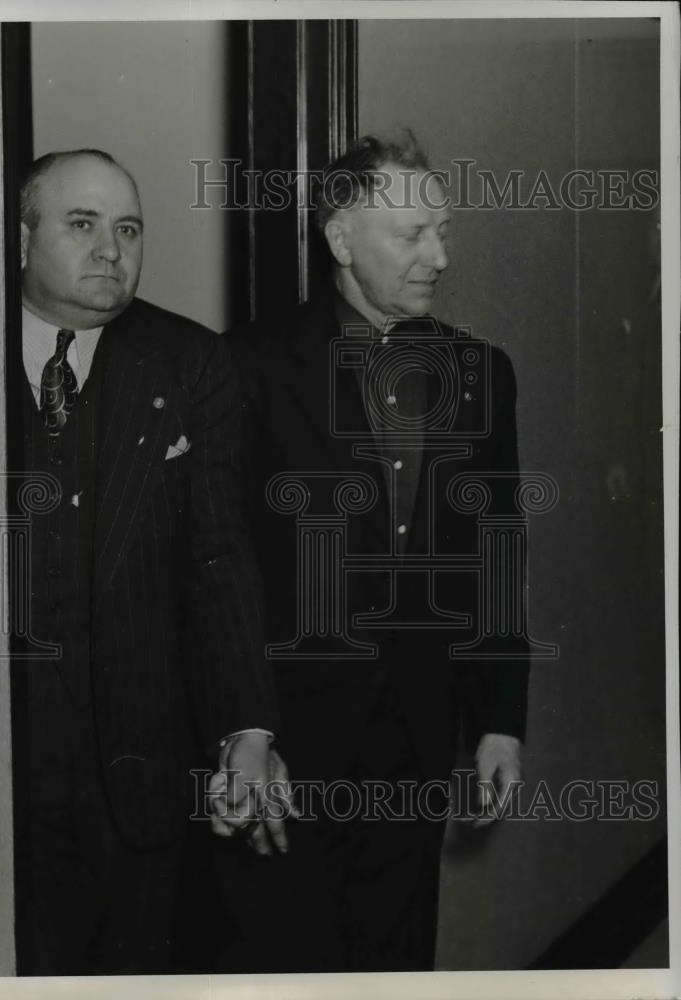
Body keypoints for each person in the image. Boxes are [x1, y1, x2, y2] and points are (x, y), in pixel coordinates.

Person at [215, 132, 530, 972]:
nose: (439, 255)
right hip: (286, 742)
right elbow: (221, 567)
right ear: (341, 239)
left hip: (418, 735)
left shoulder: (481, 373)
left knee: (395, 960)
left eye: (443, 230)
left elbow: (497, 552)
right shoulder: (247, 366)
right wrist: (240, 728)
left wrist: (500, 719)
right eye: (413, 234)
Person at [13, 148, 283, 975]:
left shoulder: (190, 362)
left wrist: (246, 729)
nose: (110, 249)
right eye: (82, 224)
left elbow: (220, 557)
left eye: (127, 228)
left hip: (138, 779)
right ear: (21, 241)